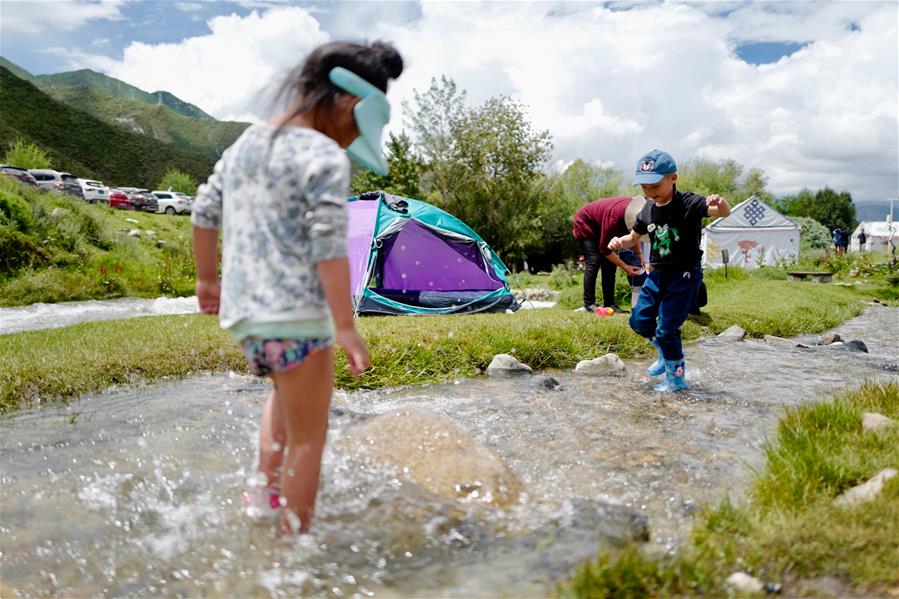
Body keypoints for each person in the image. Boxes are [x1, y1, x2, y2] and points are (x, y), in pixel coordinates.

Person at [191, 41, 403, 532]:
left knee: (283, 402)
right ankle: (294, 548)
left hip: (246, 317)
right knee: (310, 436)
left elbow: (203, 210)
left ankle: (261, 499)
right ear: (351, 102)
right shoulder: (323, 155)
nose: (353, 138)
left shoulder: (247, 142)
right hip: (298, 317)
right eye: (358, 126)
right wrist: (346, 326)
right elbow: (327, 244)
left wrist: (207, 279)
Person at [609, 149, 731, 392]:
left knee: (667, 328)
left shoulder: (688, 203)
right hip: (657, 274)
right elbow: (634, 236)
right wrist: (619, 242)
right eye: (644, 186)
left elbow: (722, 213)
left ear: (672, 178)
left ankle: (676, 379)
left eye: (654, 185)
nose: (649, 191)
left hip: (684, 275)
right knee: (639, 321)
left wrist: (722, 204)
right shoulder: (646, 210)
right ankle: (665, 353)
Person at [572, 196, 647, 313]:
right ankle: (589, 304)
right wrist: (625, 267)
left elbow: (634, 235)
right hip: (586, 223)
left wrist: (638, 253)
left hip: (601, 223)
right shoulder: (614, 219)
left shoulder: (637, 213)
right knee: (594, 260)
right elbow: (605, 250)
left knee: (610, 265)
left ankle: (610, 304)